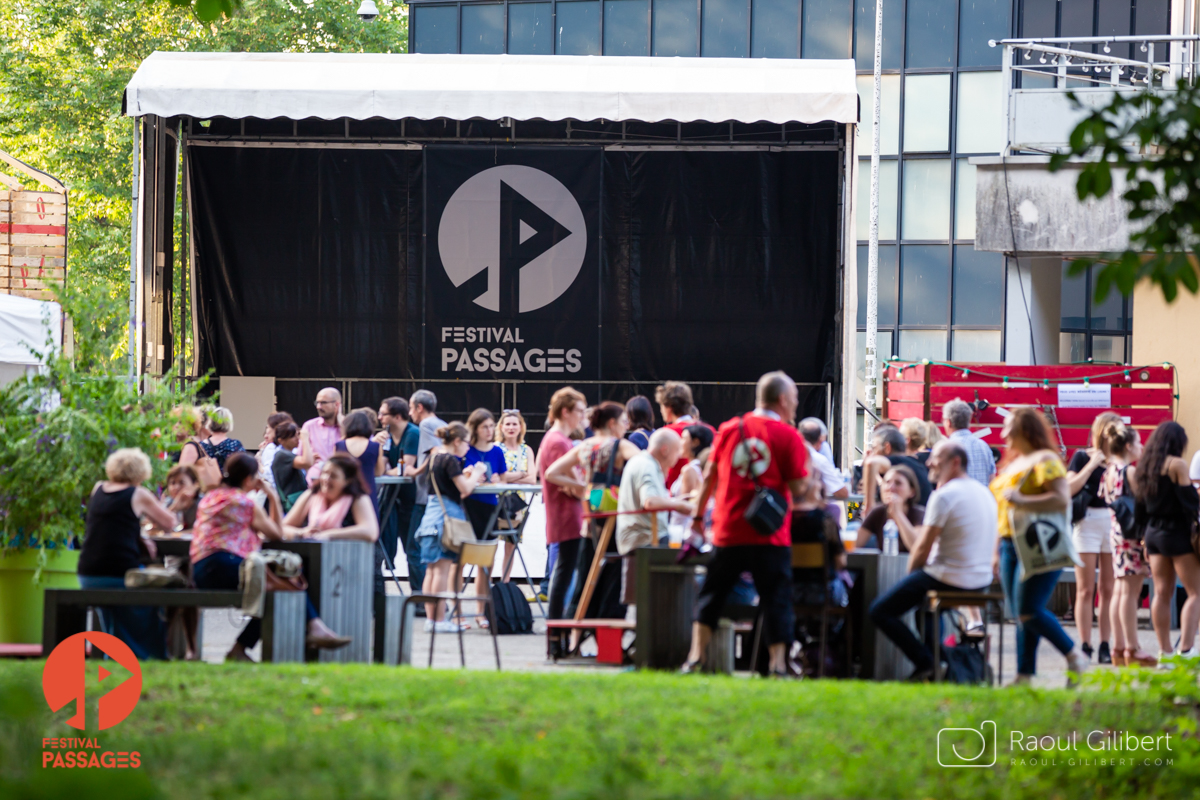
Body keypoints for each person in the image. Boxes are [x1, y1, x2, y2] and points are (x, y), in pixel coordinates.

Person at [684, 371, 809, 678]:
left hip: (729, 529)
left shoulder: (730, 429)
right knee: (776, 598)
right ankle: (779, 666)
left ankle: (695, 659)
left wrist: (699, 519)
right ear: (781, 400)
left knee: (712, 595)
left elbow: (709, 477)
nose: (795, 405)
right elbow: (797, 488)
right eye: (793, 399)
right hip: (770, 534)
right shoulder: (788, 436)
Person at [192, 452, 350, 660]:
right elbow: (277, 533)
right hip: (224, 565)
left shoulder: (210, 498)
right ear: (250, 479)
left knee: (280, 585)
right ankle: (313, 627)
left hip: (200, 569)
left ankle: (311, 628)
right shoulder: (244, 503)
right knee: (284, 585)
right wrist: (272, 495)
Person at [867, 440, 999, 681]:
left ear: (955, 463)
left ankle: (927, 661)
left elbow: (922, 550)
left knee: (879, 610)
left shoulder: (944, 495)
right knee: (925, 606)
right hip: (981, 580)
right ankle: (934, 665)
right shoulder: (984, 492)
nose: (928, 462)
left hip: (949, 577)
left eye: (936, 458)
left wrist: (909, 576)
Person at [990, 407, 1089, 686]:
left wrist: (1023, 500)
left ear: (1024, 429)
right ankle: (1024, 675)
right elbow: (1003, 510)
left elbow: (1061, 498)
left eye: (1008, 427)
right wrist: (995, 551)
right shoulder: (1015, 463)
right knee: (1022, 613)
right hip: (1009, 544)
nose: (1003, 433)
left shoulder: (1045, 460)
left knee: (1027, 609)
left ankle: (1074, 656)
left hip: (1039, 543)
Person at [77, 448, 179, 660]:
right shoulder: (138, 494)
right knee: (155, 595)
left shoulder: (98, 489)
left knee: (117, 610)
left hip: (87, 573)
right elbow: (170, 523)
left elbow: (111, 523)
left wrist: (138, 535)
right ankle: (148, 656)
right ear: (141, 472)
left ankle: (114, 655)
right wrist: (180, 504)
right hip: (120, 573)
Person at [545, 401, 642, 619]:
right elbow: (643, 465)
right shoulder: (620, 445)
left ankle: (576, 624)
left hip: (592, 503)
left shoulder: (585, 446)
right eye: (624, 422)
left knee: (586, 571)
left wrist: (583, 487)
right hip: (614, 508)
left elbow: (552, 473)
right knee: (613, 569)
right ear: (612, 422)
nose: (626, 426)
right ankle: (607, 623)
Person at [1132, 421, 1200, 663]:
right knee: (1196, 592)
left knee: (1162, 592)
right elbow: (1190, 502)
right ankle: (1188, 649)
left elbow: (1139, 509)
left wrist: (1142, 537)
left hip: (1152, 535)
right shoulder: (1177, 465)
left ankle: (1165, 652)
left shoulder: (1146, 467)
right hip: (1176, 534)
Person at [412, 422, 486, 631]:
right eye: (466, 443)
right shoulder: (451, 460)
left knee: (431, 571)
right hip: (445, 519)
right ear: (457, 441)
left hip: (430, 517)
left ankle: (431, 619)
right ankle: (439, 621)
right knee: (442, 572)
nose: (468, 448)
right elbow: (464, 490)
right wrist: (476, 472)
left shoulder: (435, 457)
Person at [1066, 412, 1120, 665]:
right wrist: (1091, 464)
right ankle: (1086, 644)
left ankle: (1105, 644)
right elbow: (1069, 488)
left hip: (1112, 522)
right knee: (1085, 589)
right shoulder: (1081, 456)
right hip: (1086, 522)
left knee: (1108, 589)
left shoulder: (1120, 461)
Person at [1102, 424, 1154, 667]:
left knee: (1121, 590)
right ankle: (1132, 648)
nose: (1142, 446)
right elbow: (1144, 506)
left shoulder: (1109, 471)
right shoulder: (1128, 472)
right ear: (1128, 446)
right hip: (1132, 536)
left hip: (1116, 532)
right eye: (1139, 442)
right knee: (1130, 592)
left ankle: (1119, 646)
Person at [540, 387, 588, 624]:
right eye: (579, 410)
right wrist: (582, 486)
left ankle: (558, 633)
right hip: (567, 514)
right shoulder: (559, 442)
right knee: (565, 575)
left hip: (565, 514)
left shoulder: (556, 440)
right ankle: (558, 632)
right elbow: (573, 483)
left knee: (564, 574)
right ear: (566, 411)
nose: (582, 415)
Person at [616, 428, 694, 555]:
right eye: (677, 450)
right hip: (644, 539)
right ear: (665, 450)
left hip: (645, 537)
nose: (679, 455)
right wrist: (680, 506)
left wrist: (674, 501)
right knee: (696, 548)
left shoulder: (645, 462)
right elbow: (650, 502)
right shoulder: (647, 465)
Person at [373, 396, 420, 593]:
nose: (379, 417)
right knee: (387, 541)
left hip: (413, 498)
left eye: (383, 414)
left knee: (412, 549)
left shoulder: (412, 434)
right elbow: (379, 470)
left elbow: (405, 468)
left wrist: (389, 470)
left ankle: (418, 595)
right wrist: (376, 446)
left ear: (398, 416)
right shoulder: (387, 434)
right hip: (392, 498)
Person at [284, 452, 381, 545]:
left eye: (333, 476)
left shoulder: (358, 498)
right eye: (324, 473)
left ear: (347, 480)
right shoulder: (311, 494)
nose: (326, 479)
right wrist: (302, 533)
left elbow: (370, 532)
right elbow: (283, 527)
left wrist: (331, 534)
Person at [405, 389, 447, 597]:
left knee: (415, 548)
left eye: (411, 408)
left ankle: (422, 599)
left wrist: (415, 471)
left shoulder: (426, 424)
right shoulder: (442, 424)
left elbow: (435, 453)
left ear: (419, 407)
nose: (410, 413)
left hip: (426, 495)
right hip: (439, 495)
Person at [495, 409, 537, 581]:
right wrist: (520, 474)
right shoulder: (496, 448)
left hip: (518, 504)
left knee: (510, 546)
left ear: (521, 427)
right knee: (490, 546)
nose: (511, 427)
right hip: (496, 501)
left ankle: (505, 583)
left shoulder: (526, 450)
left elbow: (533, 479)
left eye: (515, 424)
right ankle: (487, 585)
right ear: (502, 427)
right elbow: (496, 477)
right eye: (508, 424)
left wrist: (508, 477)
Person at [855, 465, 924, 553]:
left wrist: (898, 514)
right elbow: (856, 544)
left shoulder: (918, 514)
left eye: (898, 483)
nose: (890, 487)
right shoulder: (878, 512)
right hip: (884, 565)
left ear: (911, 492)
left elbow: (917, 547)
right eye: (887, 482)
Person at [862, 425, 932, 508]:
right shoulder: (914, 463)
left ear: (887, 448)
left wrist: (868, 506)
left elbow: (871, 462)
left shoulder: (895, 461)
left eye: (874, 448)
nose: (873, 453)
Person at [656, 381, 706, 487]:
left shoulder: (666, 433)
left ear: (668, 407)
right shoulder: (709, 430)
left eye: (661, 406)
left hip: (673, 497)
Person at [335, 409, 386, 505]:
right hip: (367, 493)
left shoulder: (339, 446)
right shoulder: (375, 446)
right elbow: (379, 472)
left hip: (344, 493)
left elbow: (334, 469)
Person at [941, 399, 997, 486]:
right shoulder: (984, 446)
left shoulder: (946, 448)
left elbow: (942, 484)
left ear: (948, 422)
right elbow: (992, 480)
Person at [301, 387, 344, 484]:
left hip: (341, 483)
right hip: (315, 483)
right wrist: (308, 458)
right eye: (317, 403)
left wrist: (343, 426)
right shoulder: (309, 426)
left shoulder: (349, 426)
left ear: (336, 404)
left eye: (323, 403)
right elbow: (300, 457)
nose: (318, 407)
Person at [799, 417, 849, 500]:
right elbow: (842, 492)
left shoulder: (788, 451)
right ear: (819, 441)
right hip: (807, 506)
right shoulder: (818, 459)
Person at [271, 421, 312, 512]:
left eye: (298, 435)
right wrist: (305, 439)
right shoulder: (281, 455)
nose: (298, 438)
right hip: (294, 502)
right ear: (281, 440)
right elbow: (307, 462)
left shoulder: (289, 454)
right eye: (293, 436)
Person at [255, 412, 294, 492]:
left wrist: (258, 461)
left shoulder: (272, 448)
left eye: (268, 427)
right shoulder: (292, 447)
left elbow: (269, 475)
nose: (266, 435)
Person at [161, 464, 202, 531]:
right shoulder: (168, 502)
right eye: (173, 483)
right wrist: (174, 508)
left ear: (195, 484)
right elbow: (157, 527)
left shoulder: (203, 504)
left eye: (181, 483)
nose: (176, 487)